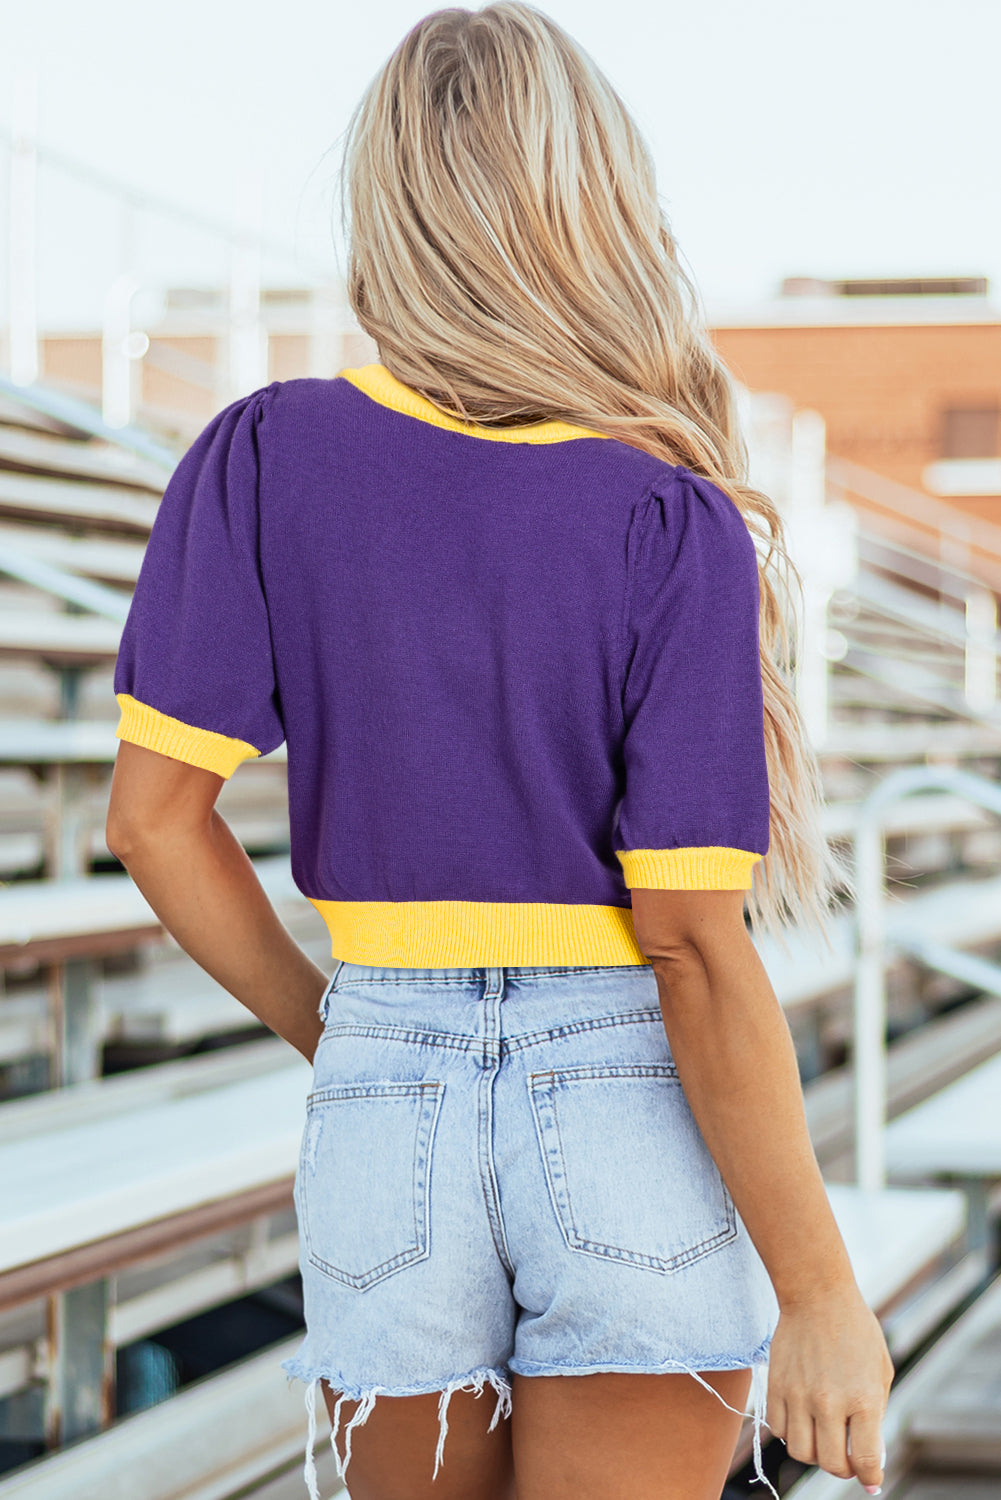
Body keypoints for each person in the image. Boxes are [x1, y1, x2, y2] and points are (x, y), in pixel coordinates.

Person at [106, 4, 894, 1498]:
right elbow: (689, 947)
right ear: (595, 208)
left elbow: (154, 823)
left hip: (382, 1092)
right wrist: (818, 1293)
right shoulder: (666, 520)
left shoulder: (262, 457)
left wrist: (342, 1030)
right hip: (624, 1097)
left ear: (387, 208)